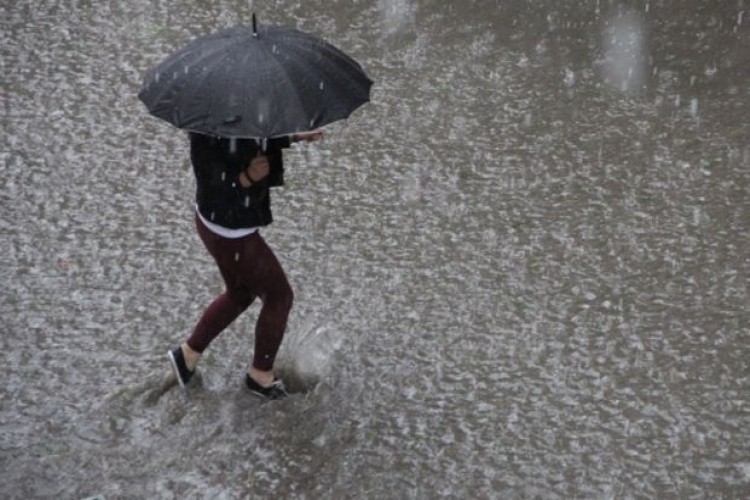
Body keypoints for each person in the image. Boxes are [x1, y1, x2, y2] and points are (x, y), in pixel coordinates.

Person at [168, 129, 324, 399]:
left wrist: (294, 137)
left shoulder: (236, 114)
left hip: (217, 224)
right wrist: (247, 177)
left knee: (240, 293)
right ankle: (260, 376)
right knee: (279, 296)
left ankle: (188, 355)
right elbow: (212, 181)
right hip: (230, 232)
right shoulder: (208, 128)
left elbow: (253, 136)